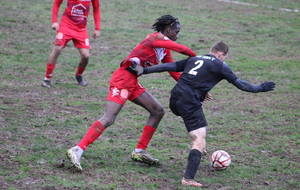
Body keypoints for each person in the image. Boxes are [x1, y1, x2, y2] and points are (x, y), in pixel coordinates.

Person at [130, 41, 276, 187]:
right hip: (189, 103)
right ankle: (188, 178)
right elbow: (240, 84)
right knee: (198, 141)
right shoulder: (220, 65)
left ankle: (201, 147)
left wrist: (144, 70)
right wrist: (259, 88)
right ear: (221, 54)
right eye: (224, 57)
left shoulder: (194, 59)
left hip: (175, 100)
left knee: (200, 131)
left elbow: (170, 66)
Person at [66, 15, 197, 171]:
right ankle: (77, 149)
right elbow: (181, 49)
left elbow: (173, 70)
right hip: (122, 79)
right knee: (109, 118)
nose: (177, 34)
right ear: (168, 30)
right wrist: (199, 58)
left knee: (158, 111)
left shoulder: (164, 49)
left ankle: (140, 151)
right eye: (176, 31)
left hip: (132, 81)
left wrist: (192, 86)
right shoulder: (154, 38)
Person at [42, 0, 101, 88]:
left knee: (86, 56)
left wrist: (97, 28)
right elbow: (57, 3)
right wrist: (54, 21)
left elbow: (96, 9)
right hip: (66, 25)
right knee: (57, 49)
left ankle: (79, 75)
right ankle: (47, 79)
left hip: (81, 29)